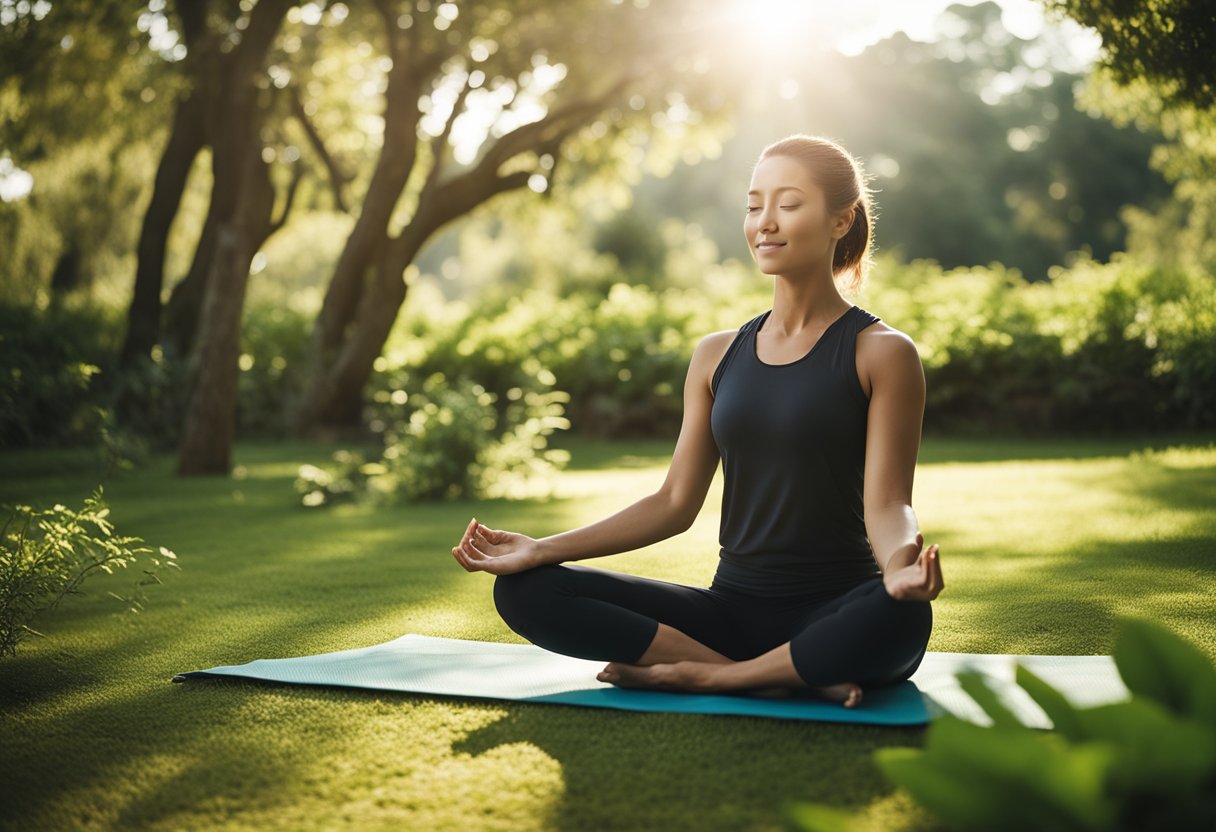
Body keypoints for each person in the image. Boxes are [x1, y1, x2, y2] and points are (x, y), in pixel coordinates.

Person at [450, 134, 945, 708]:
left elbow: (888, 505)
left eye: (788, 204)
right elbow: (673, 504)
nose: (765, 222)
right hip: (729, 611)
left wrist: (901, 568)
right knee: (526, 592)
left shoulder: (882, 352)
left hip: (836, 607)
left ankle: (704, 677)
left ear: (841, 221)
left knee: (902, 613)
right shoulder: (716, 355)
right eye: (754, 205)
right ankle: (779, 675)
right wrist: (542, 550)